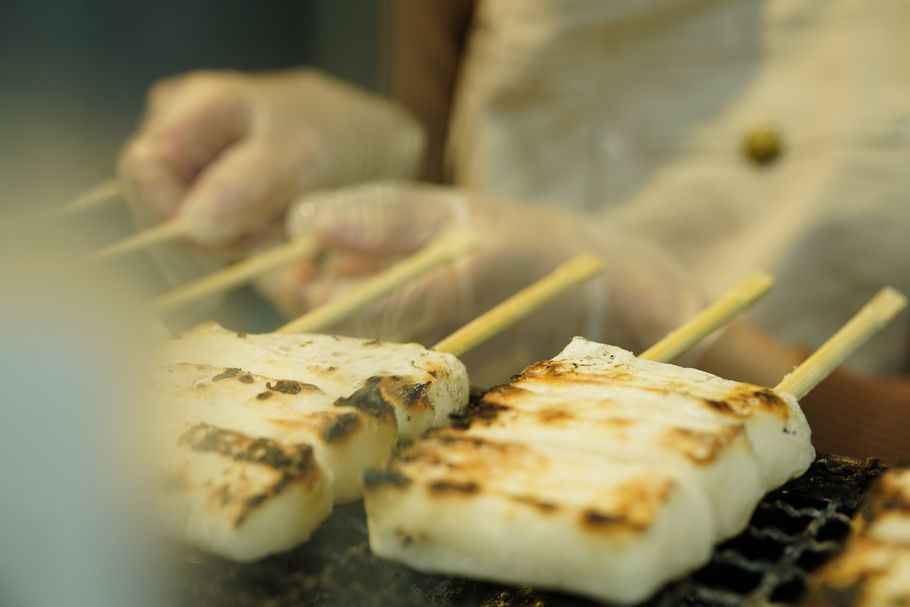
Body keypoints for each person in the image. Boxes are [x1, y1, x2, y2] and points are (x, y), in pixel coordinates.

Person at [118, 0, 910, 460]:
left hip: (821, 503)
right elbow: (442, 142)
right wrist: (363, 162)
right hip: (479, 446)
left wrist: (655, 318)